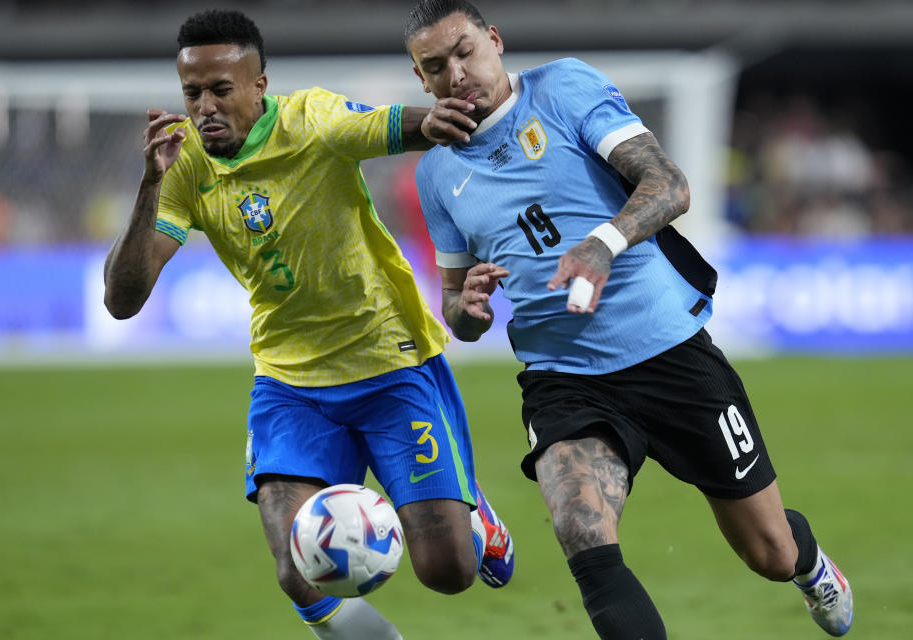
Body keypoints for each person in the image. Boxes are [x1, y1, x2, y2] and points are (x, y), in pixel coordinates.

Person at [405, 1, 853, 638]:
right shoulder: (436, 172)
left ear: (495, 41)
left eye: (464, 51)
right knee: (582, 534)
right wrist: (466, 306)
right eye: (435, 67)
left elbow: (670, 184)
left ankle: (808, 565)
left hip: (669, 351)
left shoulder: (563, 88)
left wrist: (603, 244)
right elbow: (457, 310)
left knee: (769, 552)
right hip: (562, 376)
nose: (455, 74)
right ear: (421, 81)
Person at [103, 9, 514, 640]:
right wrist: (149, 185)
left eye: (221, 90)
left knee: (449, 571)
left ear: (259, 85)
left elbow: (388, 125)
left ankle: (474, 515)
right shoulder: (182, 165)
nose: (205, 107)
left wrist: (431, 122)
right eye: (192, 94)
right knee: (298, 567)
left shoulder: (311, 120)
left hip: (391, 360)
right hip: (290, 383)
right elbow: (122, 299)